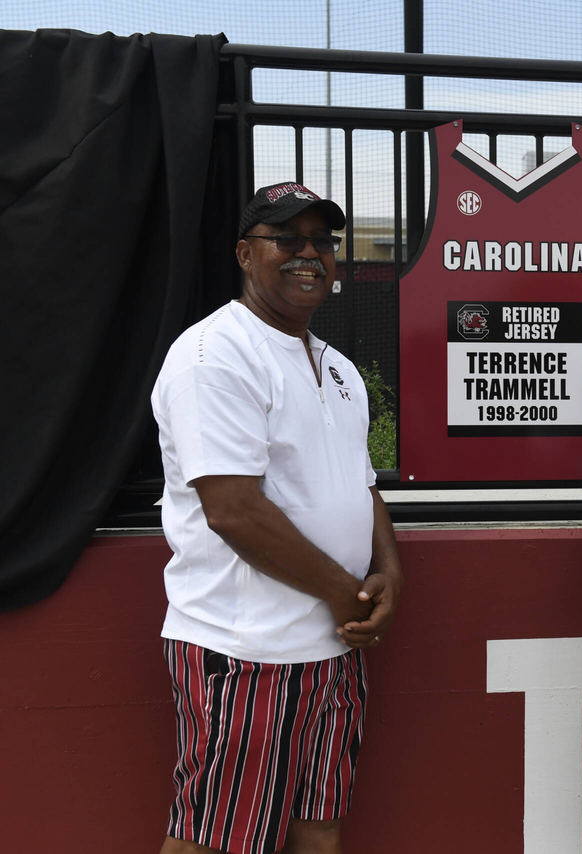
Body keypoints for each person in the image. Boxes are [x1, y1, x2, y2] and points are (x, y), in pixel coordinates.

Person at [150, 182, 403, 854]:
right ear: (243, 253)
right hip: (245, 650)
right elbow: (233, 511)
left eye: (322, 241)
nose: (309, 254)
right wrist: (345, 593)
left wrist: (390, 571)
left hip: (332, 649)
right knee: (215, 837)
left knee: (316, 829)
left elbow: (362, 486)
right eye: (287, 239)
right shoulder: (215, 355)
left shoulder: (340, 369)